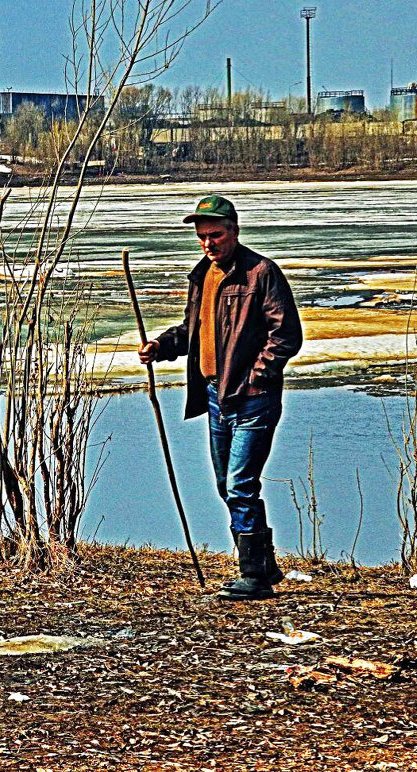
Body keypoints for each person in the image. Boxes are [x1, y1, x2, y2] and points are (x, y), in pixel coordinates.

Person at [138, 195, 302, 601]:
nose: (208, 244)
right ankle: (263, 565)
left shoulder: (261, 273)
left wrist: (255, 379)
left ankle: (254, 575)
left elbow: (286, 337)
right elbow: (193, 331)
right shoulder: (204, 277)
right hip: (215, 395)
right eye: (202, 238)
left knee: (240, 484)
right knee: (225, 483)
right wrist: (161, 345)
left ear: (234, 231)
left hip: (251, 398)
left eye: (215, 235)